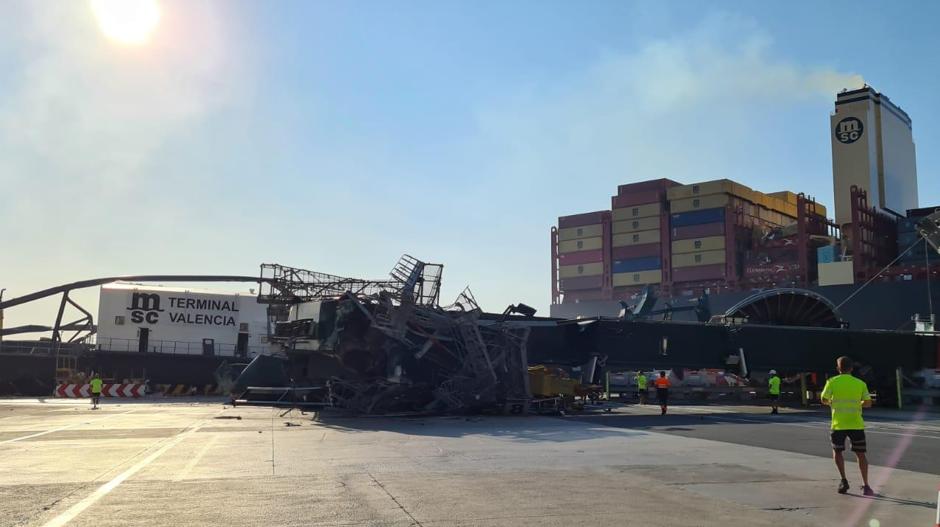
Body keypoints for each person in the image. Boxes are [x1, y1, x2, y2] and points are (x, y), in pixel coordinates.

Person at [820, 356, 874, 496]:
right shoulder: (860, 383)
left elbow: (823, 399)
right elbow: (868, 403)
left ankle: (844, 480)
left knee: (837, 452)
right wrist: (858, 404)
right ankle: (866, 485)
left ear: (838, 369)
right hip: (856, 424)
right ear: (851, 368)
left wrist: (832, 403)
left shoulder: (831, 382)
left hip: (838, 424)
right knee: (860, 454)